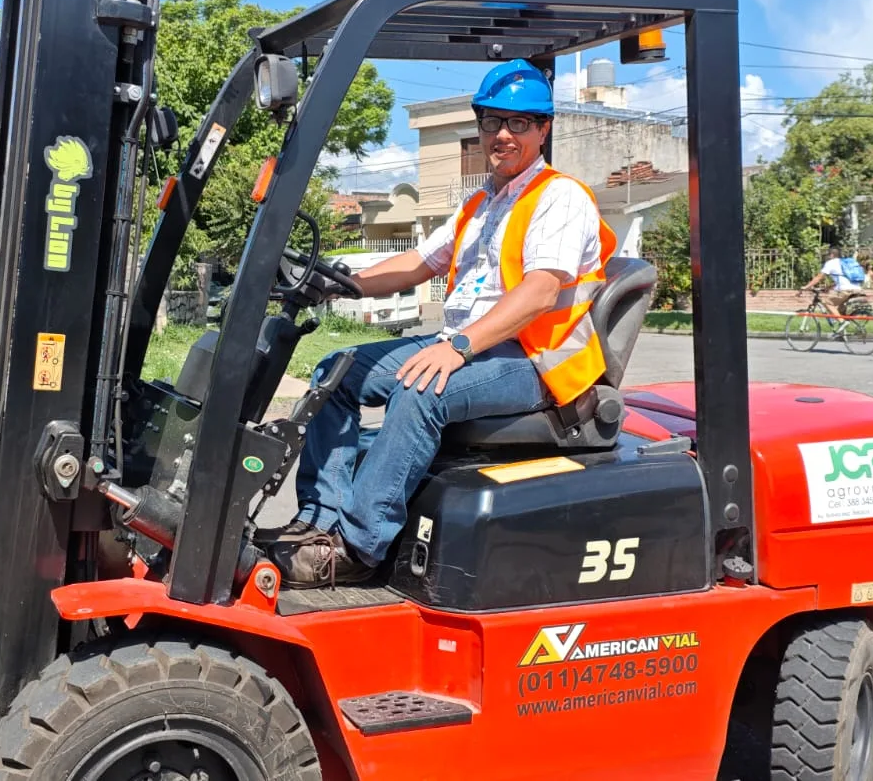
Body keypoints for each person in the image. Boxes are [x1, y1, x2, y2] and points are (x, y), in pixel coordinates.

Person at [262, 59, 619, 588]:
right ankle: (321, 522)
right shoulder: (480, 202)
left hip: (532, 359)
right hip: (472, 345)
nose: (502, 134)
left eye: (518, 123)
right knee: (336, 371)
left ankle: (359, 548)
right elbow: (417, 263)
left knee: (421, 389)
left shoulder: (560, 196)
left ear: (543, 129)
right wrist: (342, 283)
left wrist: (457, 346)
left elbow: (542, 290)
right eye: (492, 121)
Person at [802, 246, 864, 314]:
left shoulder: (831, 263)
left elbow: (819, 277)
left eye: (828, 255)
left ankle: (842, 322)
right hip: (857, 289)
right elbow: (845, 279)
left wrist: (806, 287)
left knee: (827, 303)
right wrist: (829, 287)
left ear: (831, 255)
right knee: (840, 310)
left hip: (845, 290)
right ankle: (846, 321)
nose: (827, 257)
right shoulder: (844, 263)